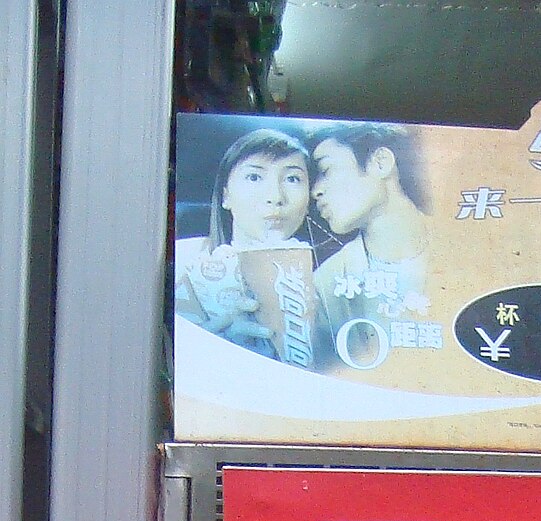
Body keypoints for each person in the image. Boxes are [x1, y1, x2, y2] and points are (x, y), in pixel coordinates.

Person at [175, 128, 316, 357]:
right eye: (254, 177)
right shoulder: (181, 260)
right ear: (225, 196)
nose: (276, 197)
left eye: (292, 179)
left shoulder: (330, 281)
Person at [309, 123, 431, 367]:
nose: (315, 191)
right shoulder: (324, 284)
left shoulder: (468, 246)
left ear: (381, 162)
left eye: (326, 170)